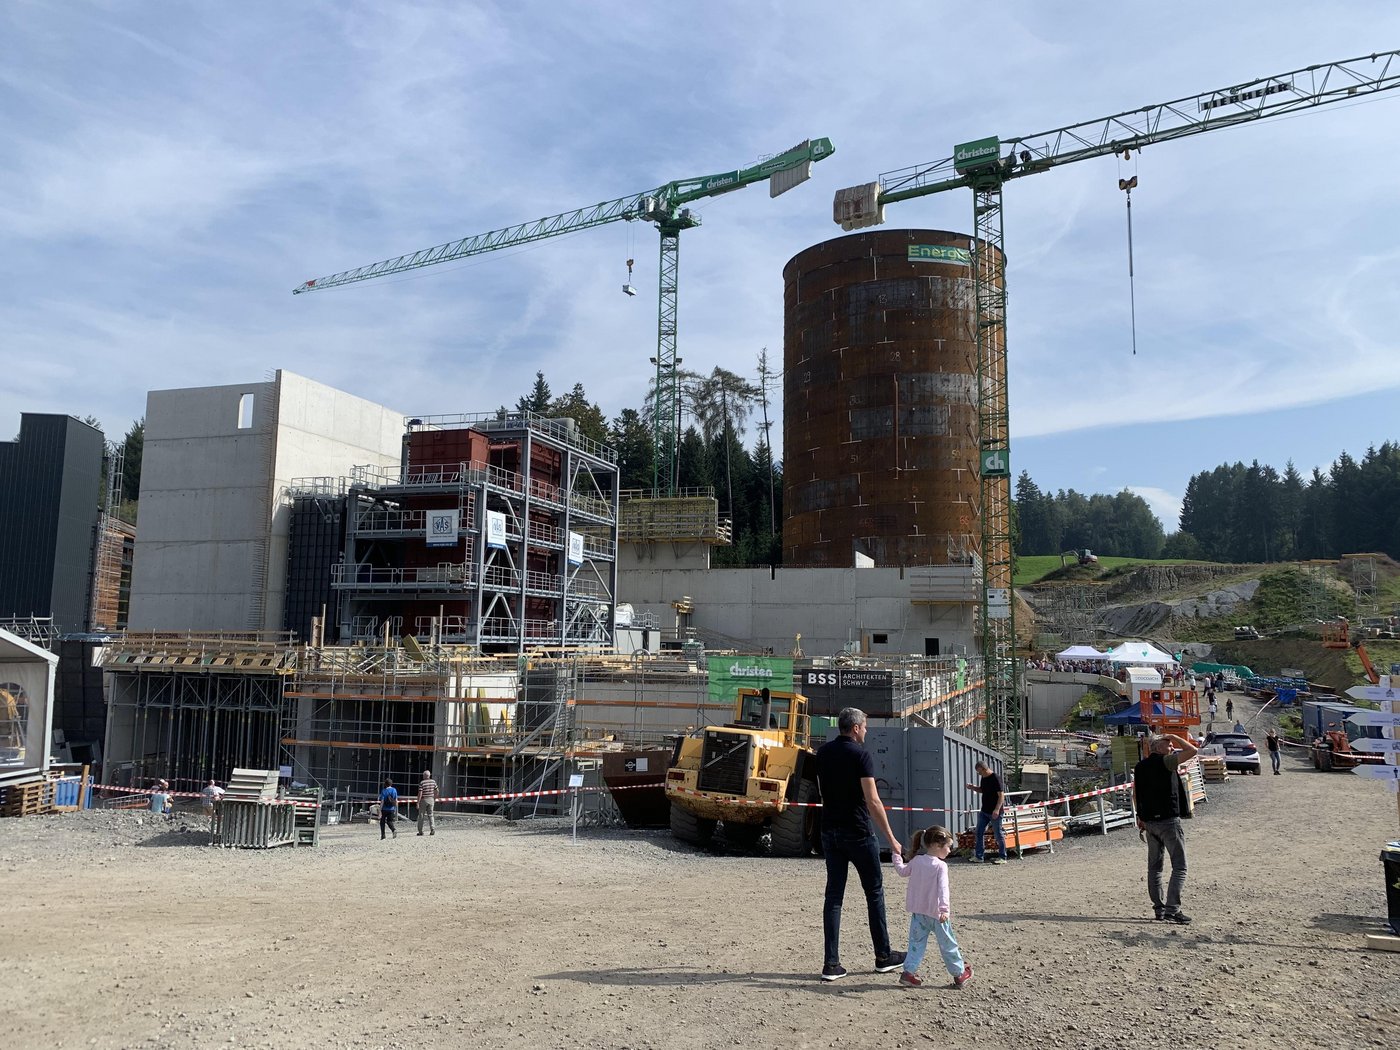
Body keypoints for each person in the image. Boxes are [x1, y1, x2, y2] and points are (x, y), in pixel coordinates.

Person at [813, 706, 906, 982]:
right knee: (874, 892)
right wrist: (892, 839)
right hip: (858, 831)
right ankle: (883, 956)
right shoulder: (861, 755)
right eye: (864, 726)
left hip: (830, 831)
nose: (866, 731)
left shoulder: (823, 753)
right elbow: (873, 800)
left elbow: (822, 791)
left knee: (834, 897)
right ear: (855, 728)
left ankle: (831, 964)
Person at [889, 825, 974, 990]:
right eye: (948, 846)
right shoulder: (940, 866)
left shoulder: (917, 861)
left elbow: (902, 871)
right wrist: (944, 910)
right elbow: (943, 889)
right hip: (937, 914)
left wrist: (896, 855)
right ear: (936, 845)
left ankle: (908, 973)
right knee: (948, 944)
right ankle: (959, 973)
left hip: (918, 913)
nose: (950, 850)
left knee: (916, 943)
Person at [1133, 732, 1199, 924]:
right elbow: (1193, 750)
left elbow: (1136, 793)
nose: (1172, 747)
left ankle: (1159, 909)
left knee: (1154, 868)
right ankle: (1172, 909)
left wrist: (1140, 816)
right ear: (1158, 747)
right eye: (1168, 744)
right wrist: (1175, 736)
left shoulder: (1140, 766)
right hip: (1169, 821)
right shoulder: (1167, 762)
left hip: (1149, 823)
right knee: (1180, 866)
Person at [965, 760, 1008, 864]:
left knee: (998, 834)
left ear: (984, 769)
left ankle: (1003, 857)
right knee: (979, 832)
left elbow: (1001, 796)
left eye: (979, 772)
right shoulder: (984, 778)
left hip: (995, 812)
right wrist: (973, 788)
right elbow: (982, 790)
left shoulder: (996, 778)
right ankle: (979, 857)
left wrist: (997, 809)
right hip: (984, 811)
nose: (979, 774)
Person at [417, 769, 438, 836]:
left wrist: (418, 802)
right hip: (431, 799)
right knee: (431, 815)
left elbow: (420, 793)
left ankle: (420, 831)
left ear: (424, 776)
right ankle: (432, 829)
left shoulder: (422, 783)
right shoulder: (433, 782)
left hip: (424, 800)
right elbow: (437, 791)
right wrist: (434, 798)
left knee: (421, 815)